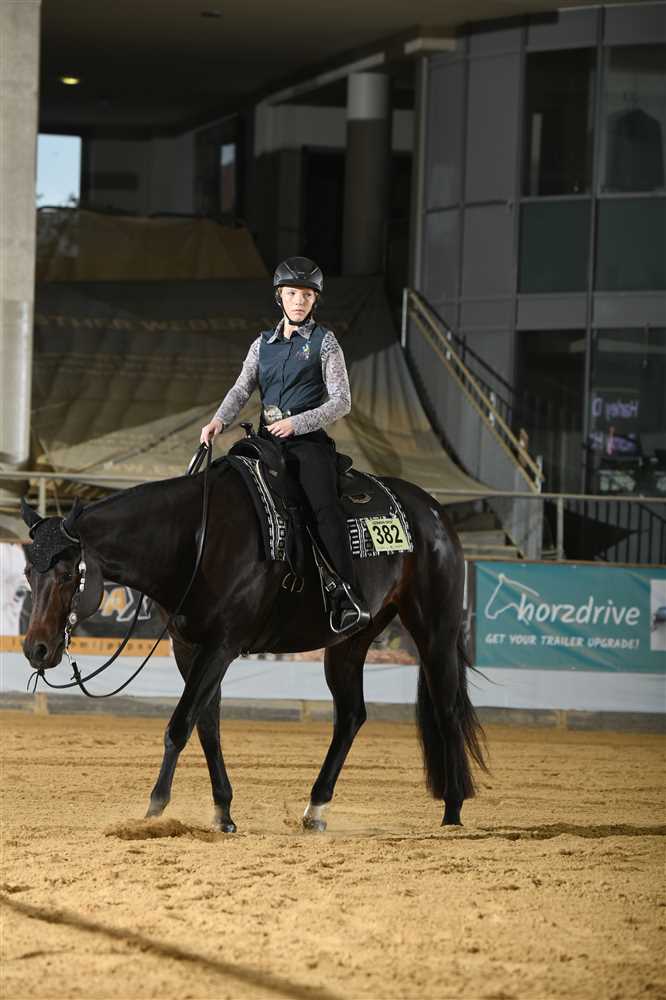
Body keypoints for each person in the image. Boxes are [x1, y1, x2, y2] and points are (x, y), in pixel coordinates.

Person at [200, 256, 370, 634]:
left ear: (314, 300)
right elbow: (242, 388)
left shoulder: (325, 342)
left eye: (307, 295)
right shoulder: (262, 344)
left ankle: (346, 594)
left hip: (307, 443)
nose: (299, 301)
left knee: (324, 509)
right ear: (280, 297)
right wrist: (218, 421)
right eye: (292, 294)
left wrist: (298, 423)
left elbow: (342, 401)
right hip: (265, 441)